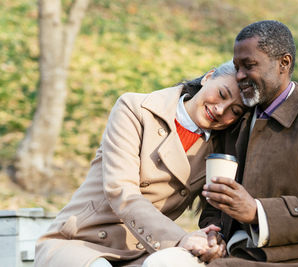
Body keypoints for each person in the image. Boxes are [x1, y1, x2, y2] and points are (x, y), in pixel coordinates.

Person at [143, 20, 298, 267]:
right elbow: (214, 202)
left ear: (284, 63)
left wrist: (258, 212)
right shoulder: (238, 118)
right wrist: (214, 234)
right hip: (234, 251)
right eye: (237, 66)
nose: (239, 76)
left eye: (249, 66)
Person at [34, 60, 245, 267]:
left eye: (234, 111)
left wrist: (211, 239)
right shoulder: (136, 109)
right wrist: (180, 239)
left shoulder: (219, 147)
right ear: (208, 77)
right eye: (222, 94)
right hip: (82, 242)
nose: (220, 110)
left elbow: (214, 208)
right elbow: (121, 191)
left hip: (144, 251)